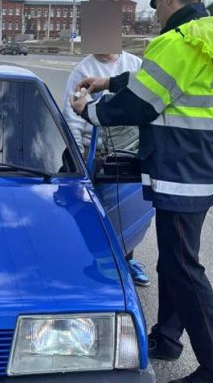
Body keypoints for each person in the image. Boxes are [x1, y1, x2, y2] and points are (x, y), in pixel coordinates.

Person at [70, 0, 213, 383]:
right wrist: (110, 79)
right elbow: (161, 81)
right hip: (198, 167)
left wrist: (89, 110)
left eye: (156, 3)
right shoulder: (210, 39)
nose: (157, 13)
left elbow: (139, 105)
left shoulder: (176, 42)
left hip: (179, 172)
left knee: (184, 269)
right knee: (174, 262)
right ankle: (166, 338)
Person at [63, 52, 151, 287]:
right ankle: (97, 259)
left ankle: (126, 260)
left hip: (131, 152)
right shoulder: (83, 71)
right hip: (97, 155)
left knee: (128, 209)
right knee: (95, 211)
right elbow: (72, 118)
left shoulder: (135, 64)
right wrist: (78, 158)